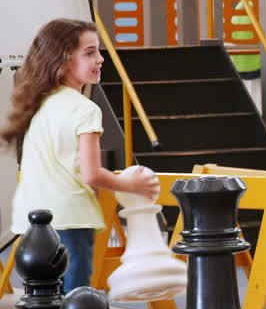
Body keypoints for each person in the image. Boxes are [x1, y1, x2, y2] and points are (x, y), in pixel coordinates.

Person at [1, 19, 160, 292]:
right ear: (62, 60)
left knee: (42, 301)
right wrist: (132, 185)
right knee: (76, 302)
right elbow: (91, 174)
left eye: (98, 51)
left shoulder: (39, 104)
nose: (100, 59)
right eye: (89, 53)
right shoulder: (85, 110)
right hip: (70, 219)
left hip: (31, 220)